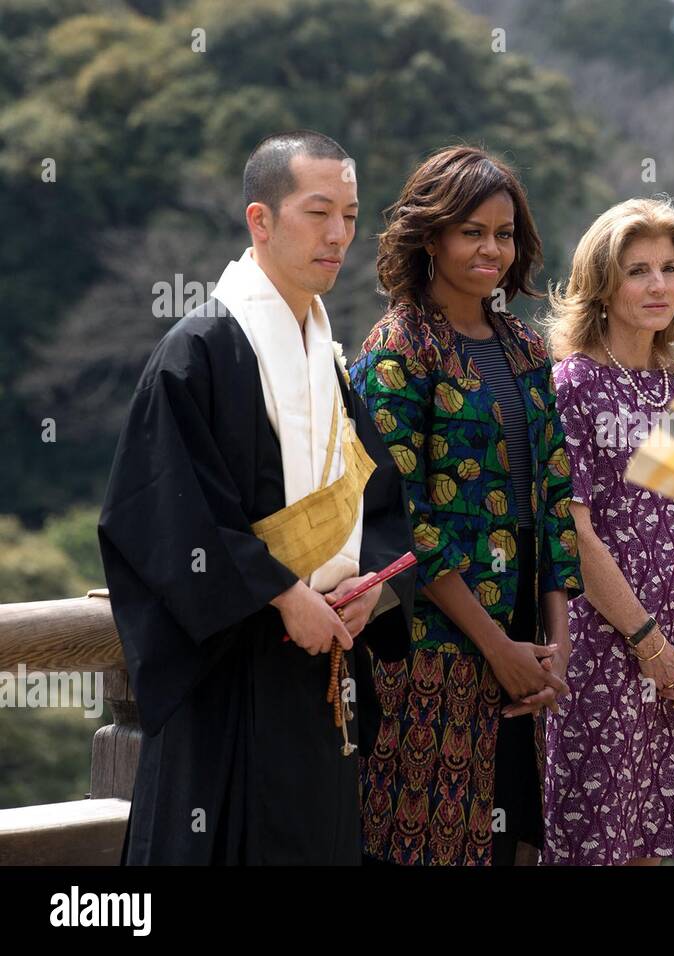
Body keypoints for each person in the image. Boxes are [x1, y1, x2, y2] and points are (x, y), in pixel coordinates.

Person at [99, 130, 415, 864]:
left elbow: (381, 501)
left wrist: (373, 589)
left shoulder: (324, 359)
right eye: (317, 213)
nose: (338, 235)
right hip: (230, 679)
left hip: (321, 669)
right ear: (260, 221)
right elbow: (159, 516)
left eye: (350, 214)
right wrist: (280, 596)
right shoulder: (200, 349)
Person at [352, 146, 583, 866]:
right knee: (421, 842)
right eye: (471, 231)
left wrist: (555, 648)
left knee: (503, 843)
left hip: (523, 636)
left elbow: (554, 495)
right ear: (431, 237)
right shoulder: (398, 348)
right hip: (432, 640)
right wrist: (497, 647)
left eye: (505, 233)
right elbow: (404, 523)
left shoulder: (523, 346)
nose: (492, 248)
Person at [542, 198, 674, 865]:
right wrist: (647, 642)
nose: (658, 285)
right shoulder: (574, 384)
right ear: (602, 283)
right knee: (592, 847)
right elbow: (575, 532)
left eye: (669, 269)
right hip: (603, 659)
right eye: (637, 270)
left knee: (655, 849)